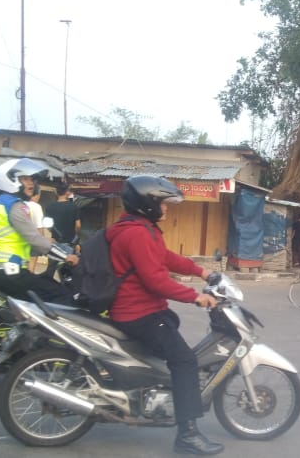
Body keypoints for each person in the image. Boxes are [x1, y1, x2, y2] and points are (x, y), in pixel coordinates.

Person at [107, 175, 223, 456]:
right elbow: (156, 281)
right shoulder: (137, 233)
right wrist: (196, 296)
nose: (167, 208)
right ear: (147, 204)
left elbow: (166, 257)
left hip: (141, 309)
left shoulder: (142, 229)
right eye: (162, 202)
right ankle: (188, 434)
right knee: (184, 360)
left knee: (171, 327)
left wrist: (201, 271)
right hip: (139, 313)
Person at [0, 158, 78, 303]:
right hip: (8, 272)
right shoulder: (15, 206)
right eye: (25, 179)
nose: (31, 183)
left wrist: (46, 244)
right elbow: (34, 239)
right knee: (61, 294)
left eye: (31, 179)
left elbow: (14, 242)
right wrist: (66, 257)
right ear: (10, 179)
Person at [44, 182, 80, 277]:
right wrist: (73, 233)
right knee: (68, 270)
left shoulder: (49, 207)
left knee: (50, 270)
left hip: (54, 243)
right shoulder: (73, 206)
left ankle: (47, 288)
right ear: (67, 192)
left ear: (56, 192)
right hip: (69, 243)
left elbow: (47, 225)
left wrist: (53, 232)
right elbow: (78, 225)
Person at [24, 185, 46, 273]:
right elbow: (39, 226)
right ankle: (28, 283)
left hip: (20, 237)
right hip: (33, 238)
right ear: (37, 195)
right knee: (32, 262)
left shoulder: (20, 203)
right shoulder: (36, 207)